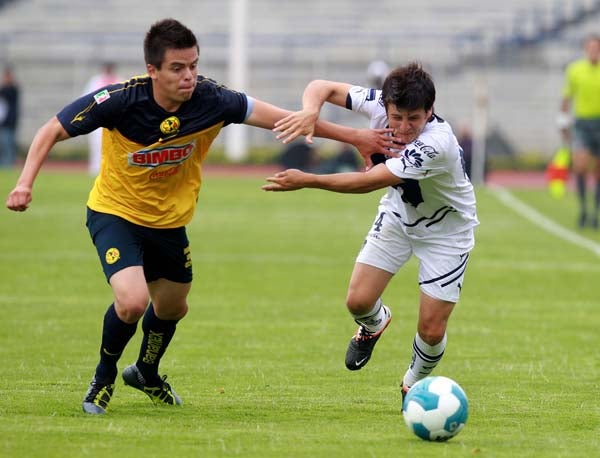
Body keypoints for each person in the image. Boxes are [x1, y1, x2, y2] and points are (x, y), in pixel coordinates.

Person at [5, 18, 397, 415]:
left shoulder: (213, 100)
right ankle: (103, 378)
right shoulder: (120, 101)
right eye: (177, 68)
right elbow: (50, 130)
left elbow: (285, 118)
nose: (189, 75)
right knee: (132, 302)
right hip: (115, 213)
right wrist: (24, 183)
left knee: (173, 307)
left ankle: (145, 371)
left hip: (169, 222)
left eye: (193, 65)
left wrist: (354, 136)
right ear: (153, 70)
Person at [265, 63, 478, 400]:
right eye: (396, 117)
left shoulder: (437, 144)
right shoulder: (376, 101)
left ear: (430, 111)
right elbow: (320, 86)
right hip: (399, 215)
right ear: (386, 106)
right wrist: (309, 111)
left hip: (446, 233)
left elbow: (368, 182)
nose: (403, 128)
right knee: (358, 301)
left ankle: (412, 383)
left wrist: (309, 180)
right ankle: (374, 324)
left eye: (414, 118)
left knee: (431, 329)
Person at [559, 34, 600, 229]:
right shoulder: (575, 70)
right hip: (583, 124)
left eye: (596, 48)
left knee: (598, 171)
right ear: (586, 49)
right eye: (591, 47)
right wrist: (563, 123)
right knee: (580, 167)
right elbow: (567, 98)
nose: (594, 51)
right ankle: (583, 209)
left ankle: (596, 213)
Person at [83, 62, 122, 175]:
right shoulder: (95, 81)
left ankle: (111, 169)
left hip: (114, 119)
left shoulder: (119, 80)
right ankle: (95, 169)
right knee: (96, 144)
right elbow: (87, 98)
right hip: (97, 118)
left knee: (113, 145)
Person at [0, 65, 20, 168]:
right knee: (5, 144)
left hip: (10, 122)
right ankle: (6, 164)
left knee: (8, 144)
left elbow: (7, 92)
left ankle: (8, 164)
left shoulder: (12, 90)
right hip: (5, 123)